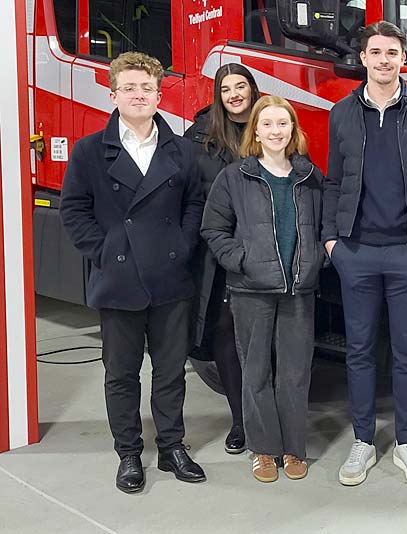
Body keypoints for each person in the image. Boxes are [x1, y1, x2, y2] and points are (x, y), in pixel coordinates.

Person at [60, 52, 206, 493]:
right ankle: (128, 452)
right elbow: (73, 209)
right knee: (121, 373)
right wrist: (105, 250)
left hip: (170, 277)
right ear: (113, 94)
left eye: (146, 88)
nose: (138, 95)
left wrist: (181, 245)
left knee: (170, 371)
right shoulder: (89, 151)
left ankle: (171, 447)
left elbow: (195, 203)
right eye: (130, 88)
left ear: (160, 96)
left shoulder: (182, 149)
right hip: (119, 279)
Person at [322, 20, 407, 487]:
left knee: (406, 353)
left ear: (403, 58)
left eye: (392, 53)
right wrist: (332, 241)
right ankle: (362, 442)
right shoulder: (341, 112)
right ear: (363, 58)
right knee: (359, 351)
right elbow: (334, 180)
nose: (384, 60)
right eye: (376, 52)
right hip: (355, 252)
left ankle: (406, 443)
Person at [201, 95, 324, 483]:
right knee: (255, 371)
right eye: (267, 124)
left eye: (282, 123)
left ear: (293, 130)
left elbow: (326, 227)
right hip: (251, 291)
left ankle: (293, 448)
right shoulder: (235, 177)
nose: (275, 131)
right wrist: (241, 260)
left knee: (294, 372)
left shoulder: (309, 177)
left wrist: (317, 258)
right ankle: (264, 450)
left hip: (299, 291)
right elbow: (213, 228)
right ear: (255, 130)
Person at [184, 63, 260, 454]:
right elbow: (186, 190)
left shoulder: (272, 122)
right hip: (217, 254)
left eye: (240, 86)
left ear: (252, 89)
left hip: (265, 251)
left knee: (264, 339)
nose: (234, 94)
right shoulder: (200, 135)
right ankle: (240, 421)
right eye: (226, 88)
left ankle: (266, 415)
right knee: (225, 334)